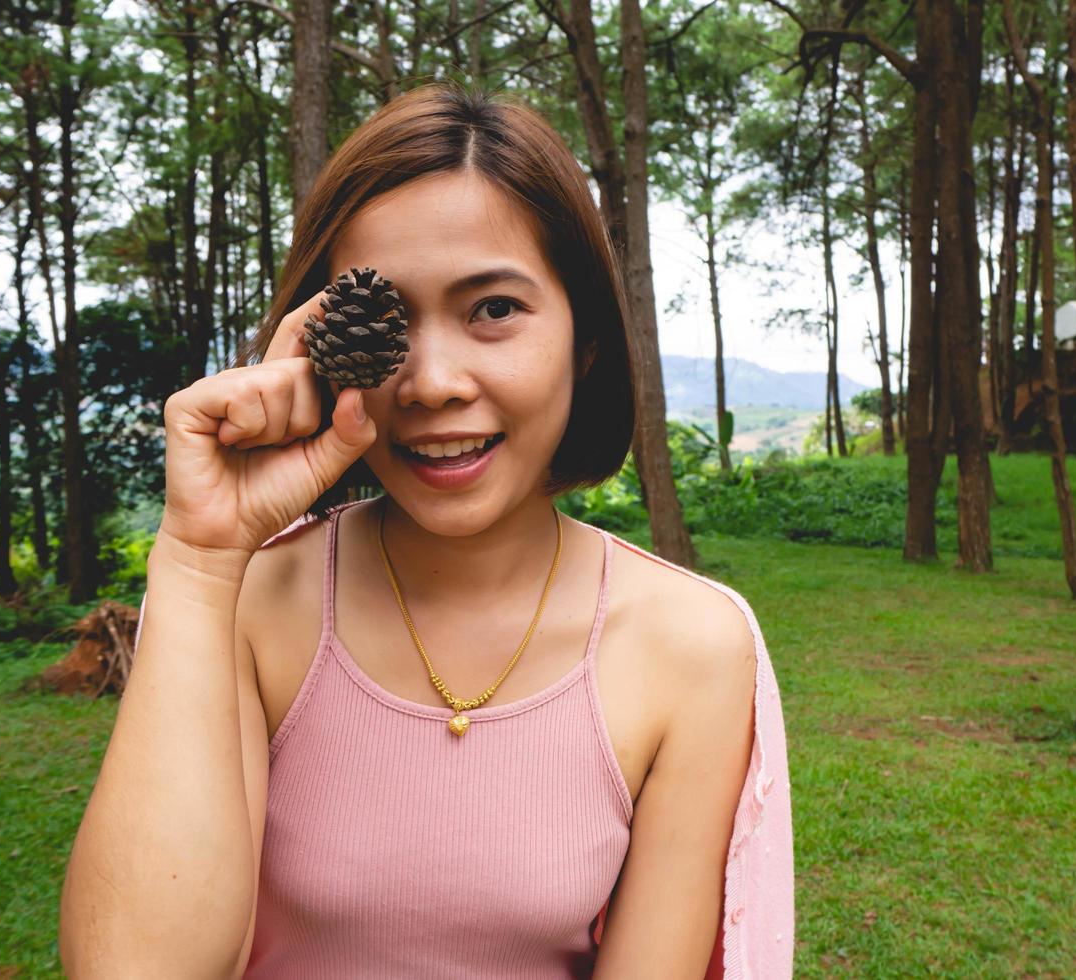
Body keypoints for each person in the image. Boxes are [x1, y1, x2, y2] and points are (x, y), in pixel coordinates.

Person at [59, 81, 793, 978]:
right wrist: (200, 559)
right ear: (321, 349)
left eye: (494, 309)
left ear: (585, 341)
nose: (433, 381)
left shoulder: (694, 645)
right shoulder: (254, 603)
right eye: (386, 319)